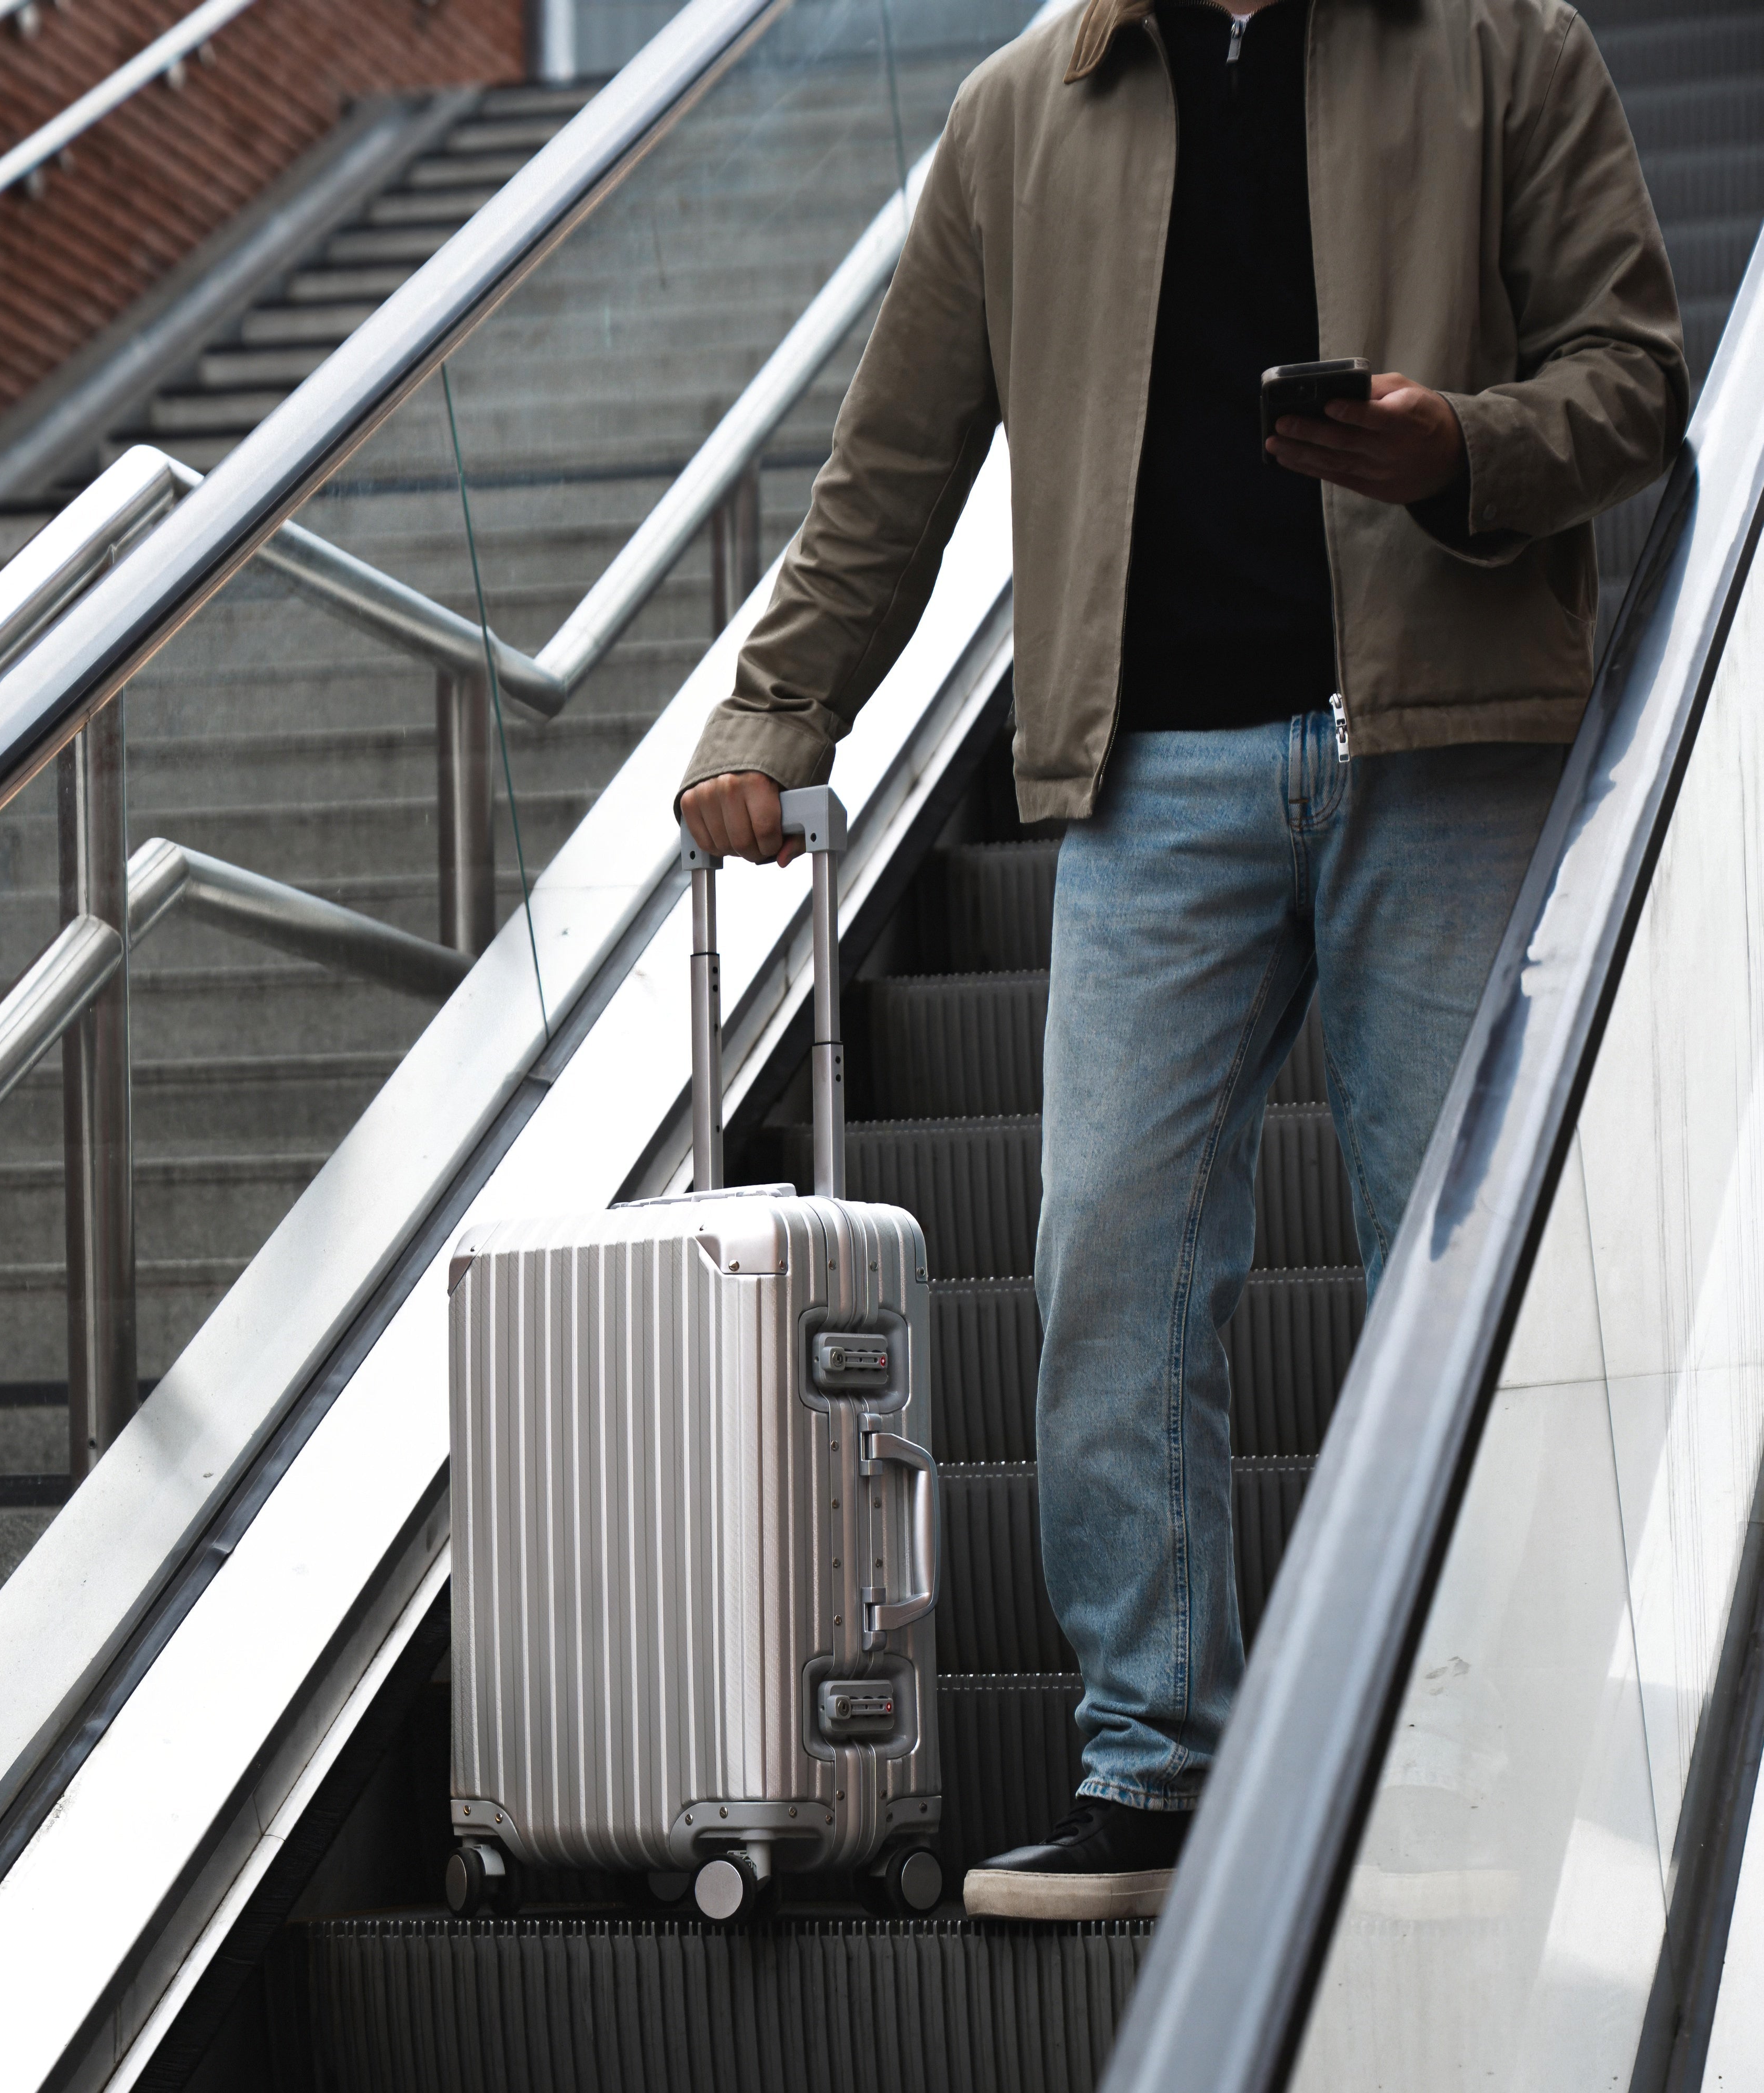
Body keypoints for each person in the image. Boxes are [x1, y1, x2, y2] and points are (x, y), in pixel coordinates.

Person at [677, 0, 1686, 1920]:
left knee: (1462, 1275)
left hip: (1449, 743)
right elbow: (890, 465)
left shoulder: (1502, 46)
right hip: (1149, 779)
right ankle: (1160, 1766)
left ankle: (1469, 1745)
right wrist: (772, 713)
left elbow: (1635, 379)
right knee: (1110, 1262)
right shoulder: (1014, 115)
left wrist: (1448, 449)